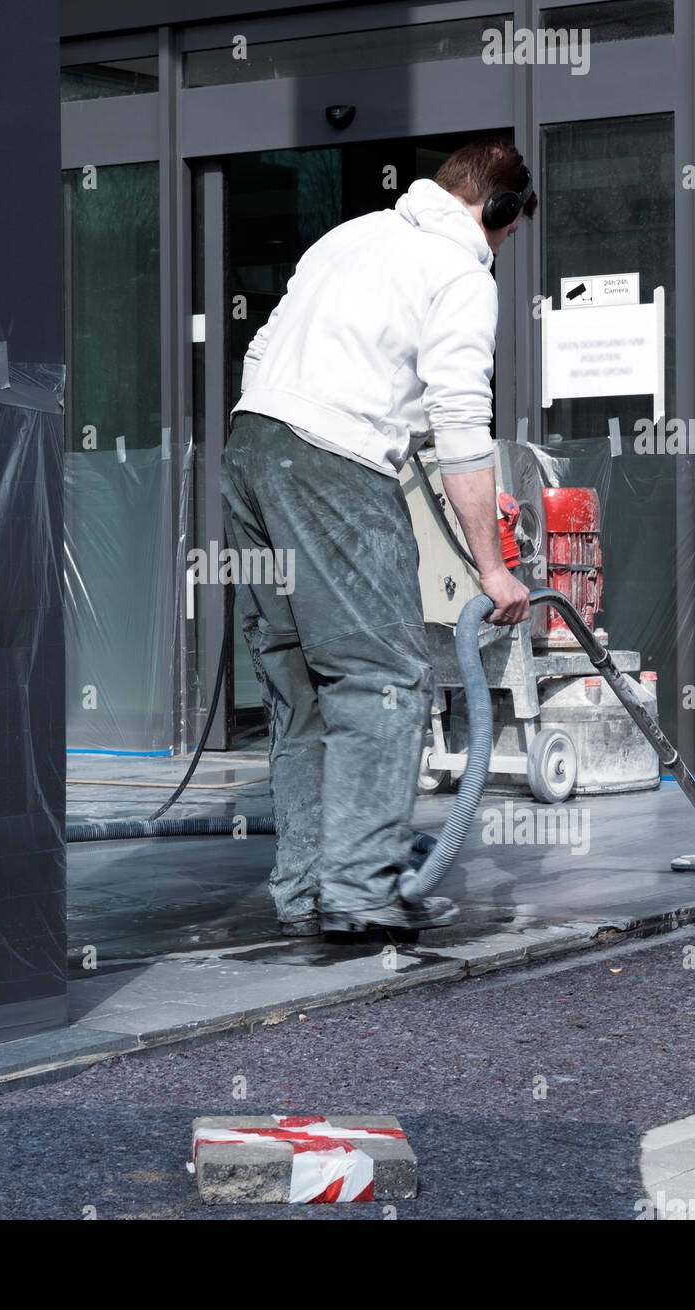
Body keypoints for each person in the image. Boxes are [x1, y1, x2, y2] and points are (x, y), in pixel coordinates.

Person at [220, 138, 537, 937]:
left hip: (250, 450)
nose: (502, 247)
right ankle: (360, 894)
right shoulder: (462, 272)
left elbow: (260, 351)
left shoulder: (347, 237)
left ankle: (304, 895)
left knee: (300, 691)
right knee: (384, 676)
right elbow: (463, 417)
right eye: (507, 231)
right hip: (336, 464)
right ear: (495, 210)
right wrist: (492, 569)